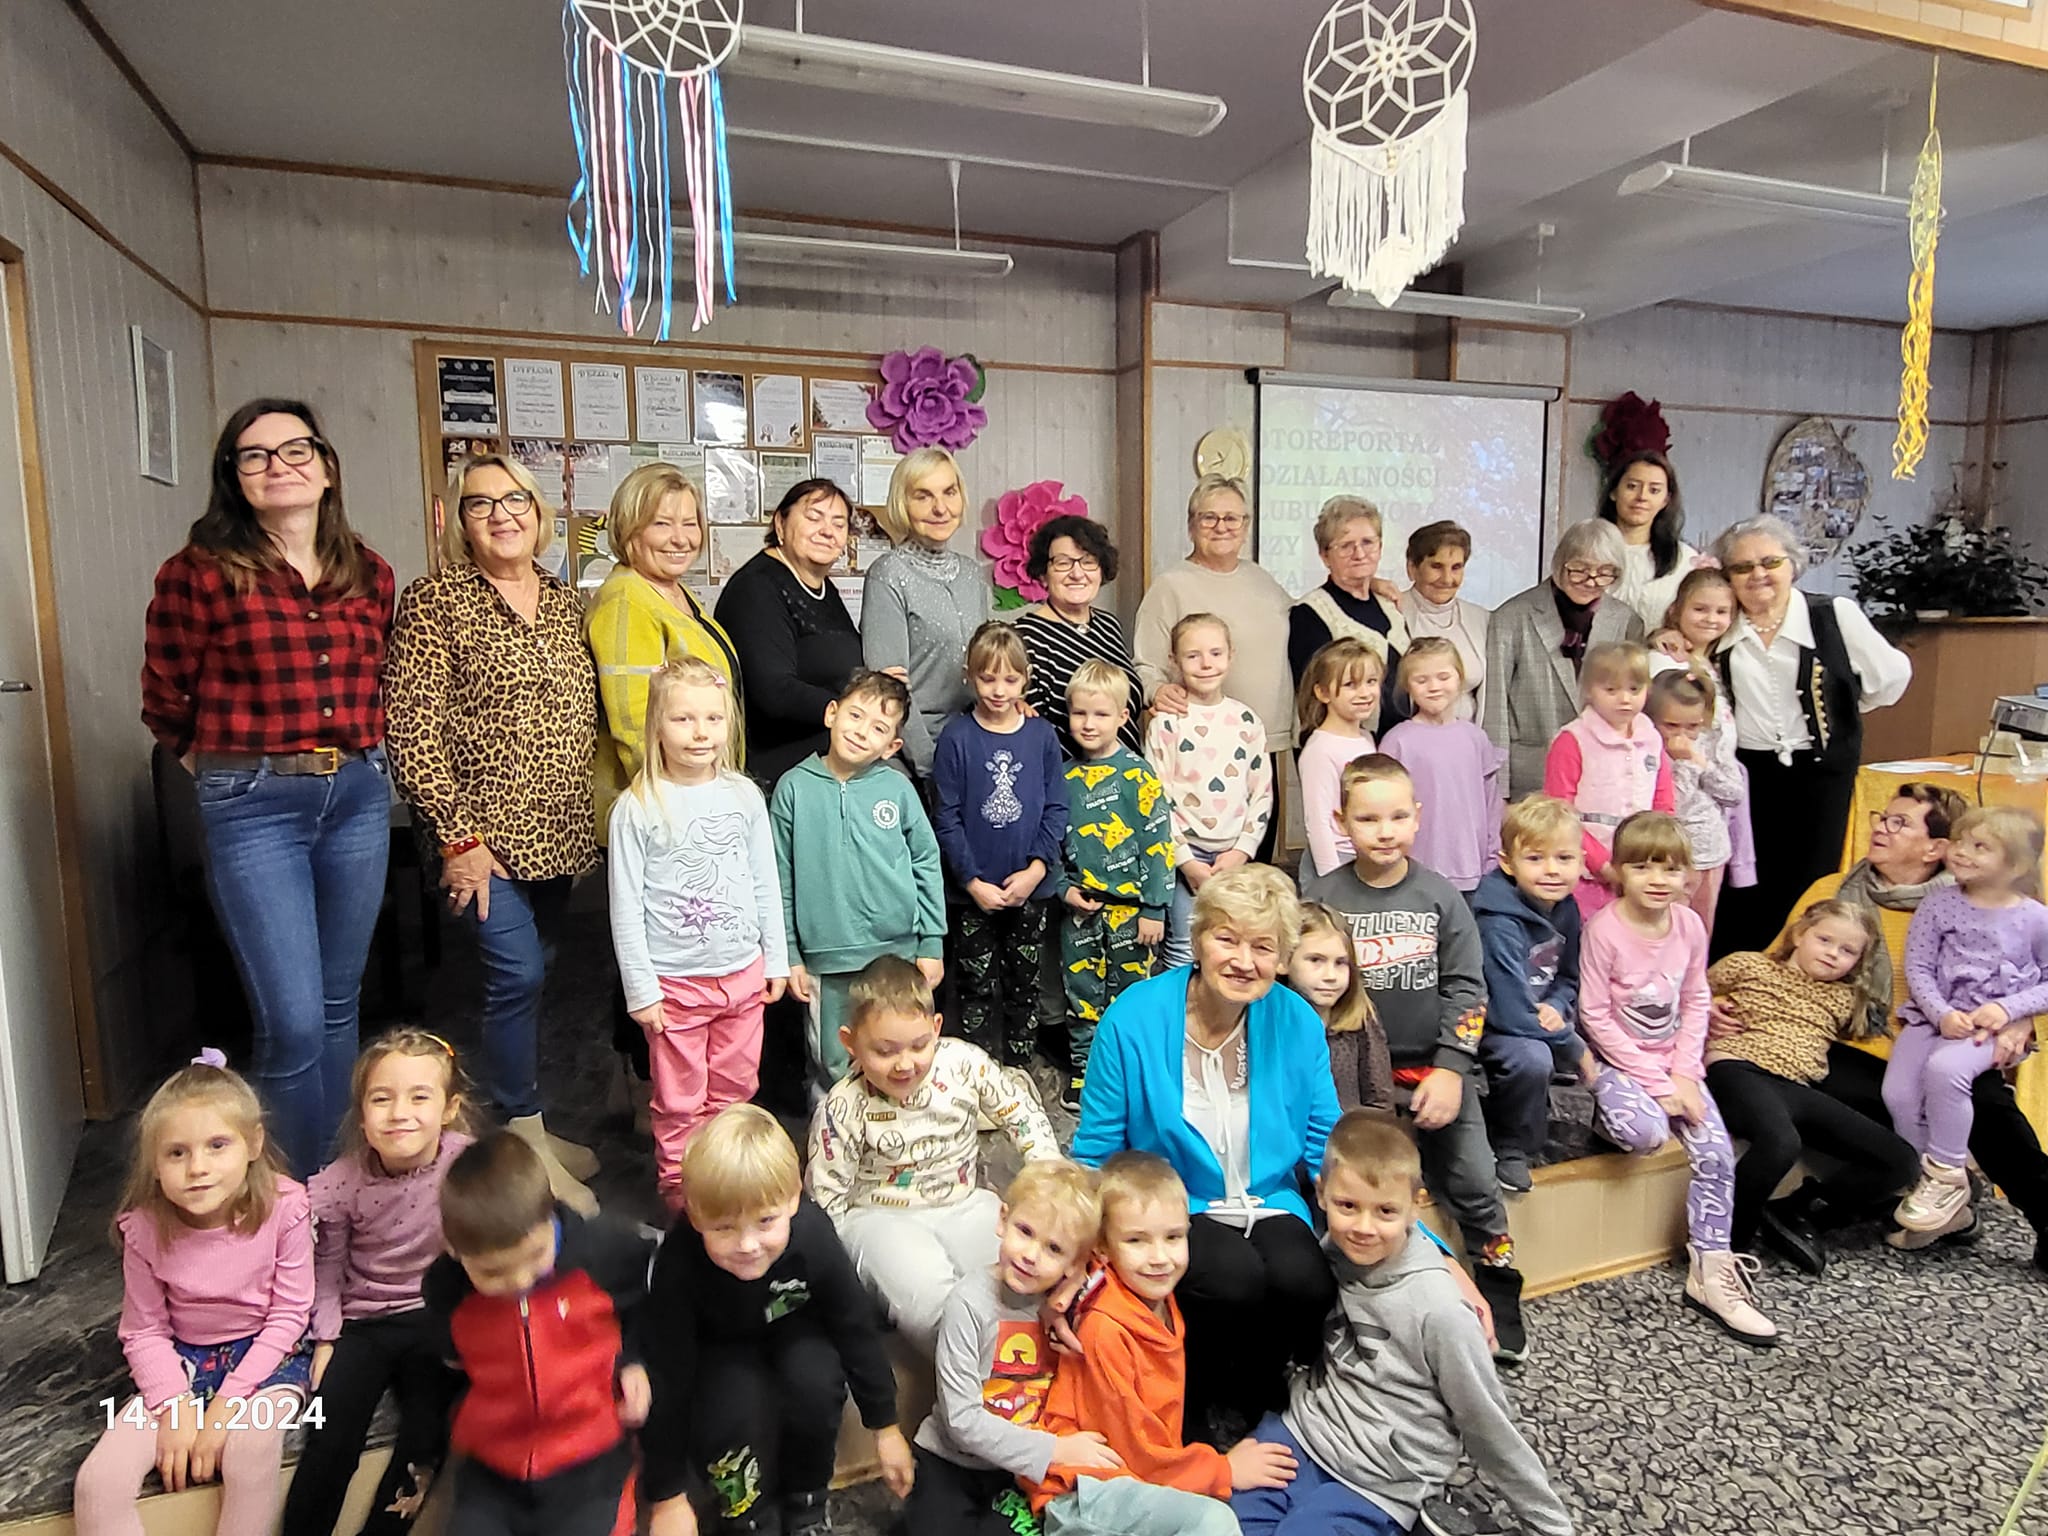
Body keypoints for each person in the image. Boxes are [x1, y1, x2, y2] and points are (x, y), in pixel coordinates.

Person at [141, 399, 396, 1178]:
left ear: (326, 467)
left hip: (357, 794)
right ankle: (293, 1203)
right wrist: (228, 776)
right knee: (290, 1022)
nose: (278, 466)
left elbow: (379, 680)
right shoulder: (198, 573)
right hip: (254, 807)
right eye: (254, 456)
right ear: (235, 478)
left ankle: (340, 1189)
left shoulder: (369, 572)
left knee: (339, 1008)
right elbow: (164, 698)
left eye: (295, 450)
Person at [384, 451, 601, 1212]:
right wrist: (457, 838)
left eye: (515, 500)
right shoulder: (436, 600)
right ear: (459, 521)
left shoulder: (567, 602)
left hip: (557, 833)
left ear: (540, 513)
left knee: (539, 973)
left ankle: (529, 1120)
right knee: (516, 976)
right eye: (480, 504)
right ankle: (517, 1135)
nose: (501, 514)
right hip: (479, 840)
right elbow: (412, 729)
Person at [1072, 866, 1341, 1435]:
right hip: (1175, 1204)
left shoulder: (1296, 1019)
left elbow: (1328, 1142)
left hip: (1269, 1198)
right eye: (1227, 939)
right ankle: (1192, 1400)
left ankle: (1257, 1394)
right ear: (1197, 940)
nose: (1244, 961)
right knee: (1231, 1278)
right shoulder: (1133, 1017)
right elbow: (1097, 1149)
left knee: (1306, 1281)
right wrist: (1077, 1252)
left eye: (1263, 946)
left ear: (1282, 958)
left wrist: (1424, 1245)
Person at [1231, 1113, 1574, 1536]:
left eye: (1386, 1211)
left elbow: (1486, 1420)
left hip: (1380, 1479)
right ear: (1321, 1194)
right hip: (1304, 1432)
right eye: (1348, 1206)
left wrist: (1549, 1523)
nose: (1364, 1227)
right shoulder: (1330, 1252)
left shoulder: (1442, 1310)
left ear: (1416, 1207)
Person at [1302, 756, 1527, 1362]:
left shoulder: (1441, 896)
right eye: (1368, 819)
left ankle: (1498, 1276)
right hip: (1347, 1071)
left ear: (1418, 817)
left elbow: (1467, 986)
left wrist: (1452, 1067)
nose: (1385, 831)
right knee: (1354, 1182)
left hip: (1435, 1068)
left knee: (1475, 1178)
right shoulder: (1321, 897)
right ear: (1340, 821)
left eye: (1398, 817)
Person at [1774, 782, 2048, 1269]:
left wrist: (2019, 1019)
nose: (1881, 827)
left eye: (1900, 823)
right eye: (1882, 817)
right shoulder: (1832, 890)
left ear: (1935, 848)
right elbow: (1777, 960)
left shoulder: (1980, 902)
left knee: (1984, 1098)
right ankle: (1918, 1191)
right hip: (1852, 1044)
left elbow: (2025, 974)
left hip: (1947, 1039)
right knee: (1922, 1090)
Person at [643, 1106, 913, 1536]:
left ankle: (807, 1504)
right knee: (729, 1410)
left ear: (793, 1199)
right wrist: (667, 1495)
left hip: (794, 1329)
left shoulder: (813, 1235)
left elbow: (853, 1326)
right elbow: (667, 1377)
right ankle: (747, 1518)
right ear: (694, 1216)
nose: (748, 1245)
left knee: (816, 1381)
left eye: (765, 1221)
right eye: (724, 1228)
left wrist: (884, 1425)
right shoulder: (679, 1264)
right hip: (716, 1346)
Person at [74, 1056, 312, 1536]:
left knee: (249, 1447)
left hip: (270, 1356)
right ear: (154, 1163)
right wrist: (176, 1406)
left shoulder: (285, 1208)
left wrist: (226, 1405)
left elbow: (289, 1316)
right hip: (183, 1359)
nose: (197, 1168)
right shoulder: (144, 1229)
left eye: (217, 1145)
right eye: (177, 1153)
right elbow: (144, 1331)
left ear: (253, 1144)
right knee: (99, 1482)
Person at [1578, 812, 1775, 1346]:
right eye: (1643, 867)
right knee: (1644, 1133)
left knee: (1715, 1153)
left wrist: (1685, 1074)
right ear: (1619, 871)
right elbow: (1594, 1016)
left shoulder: (1688, 924)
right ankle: (1602, 1116)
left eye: (1670, 868)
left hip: (1676, 1065)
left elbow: (1695, 999)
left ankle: (1710, 1272)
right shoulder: (1603, 930)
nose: (1658, 879)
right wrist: (1657, 1084)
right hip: (1621, 1063)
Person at [1026, 1153, 1294, 1536]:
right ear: (1102, 1247)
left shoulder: (1157, 1299)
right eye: (1136, 1240)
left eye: (1173, 1237)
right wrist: (1224, 1469)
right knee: (1214, 1522)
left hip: (1129, 1479)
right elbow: (1134, 1451)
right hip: (1081, 1493)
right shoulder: (1104, 1329)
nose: (1159, 1258)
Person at [590, 462, 744, 1125]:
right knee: (656, 955)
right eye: (663, 523)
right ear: (630, 529)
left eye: (691, 522)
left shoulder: (675, 594)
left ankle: (677, 1096)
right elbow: (635, 723)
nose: (682, 536)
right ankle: (652, 1100)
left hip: (699, 803)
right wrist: (678, 811)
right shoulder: (628, 599)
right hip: (664, 815)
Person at [805, 956, 1059, 1351]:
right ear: (849, 1042)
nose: (904, 1064)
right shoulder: (842, 1107)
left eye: (920, 1045)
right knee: (930, 1302)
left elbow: (1020, 1112)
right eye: (885, 1051)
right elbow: (826, 1200)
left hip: (964, 1201)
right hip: (878, 1216)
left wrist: (1048, 1173)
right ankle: (970, 1372)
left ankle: (1024, 1360)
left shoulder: (963, 1063)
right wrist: (837, 1281)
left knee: (1023, 1273)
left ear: (936, 1028)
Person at [609, 658, 789, 1211]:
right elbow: (625, 907)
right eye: (683, 719)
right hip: (675, 986)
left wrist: (775, 960)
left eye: (713, 718)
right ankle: (681, 1198)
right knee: (679, 1101)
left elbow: (765, 881)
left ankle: (728, 1186)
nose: (700, 732)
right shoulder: (637, 807)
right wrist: (641, 990)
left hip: (742, 976)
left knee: (736, 1092)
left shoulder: (744, 796)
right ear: (656, 726)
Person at [281, 1030, 474, 1536]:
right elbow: (326, 1267)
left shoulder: (468, 1165)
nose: (398, 1113)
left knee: (426, 1435)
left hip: (434, 1318)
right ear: (362, 1115)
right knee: (329, 1434)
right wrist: (326, 1337)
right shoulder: (342, 1182)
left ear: (450, 1109)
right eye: (381, 1099)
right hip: (363, 1323)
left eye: (419, 1097)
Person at [422, 1133, 654, 1536]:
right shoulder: (446, 1289)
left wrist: (634, 1360)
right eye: (493, 1272)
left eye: (535, 1256)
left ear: (550, 1216)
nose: (520, 1280)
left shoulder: (603, 1253)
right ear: (454, 1251)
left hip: (592, 1464)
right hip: (492, 1472)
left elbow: (649, 1302)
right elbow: (449, 1356)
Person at [1709, 514, 1911, 954]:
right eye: (1742, 567)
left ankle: (1803, 974)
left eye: (1770, 562)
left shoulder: (1832, 614)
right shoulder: (1721, 621)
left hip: (1822, 775)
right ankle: (1744, 971)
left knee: (1812, 881)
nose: (1758, 575)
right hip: (1750, 776)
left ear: (1792, 564)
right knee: (1746, 883)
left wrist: (1843, 709)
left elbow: (1891, 678)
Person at [1704, 899, 1915, 1274]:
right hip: (1738, 1068)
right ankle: (1725, 1250)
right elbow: (1685, 990)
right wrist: (1709, 1006)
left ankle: (1801, 1209)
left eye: (1848, 951)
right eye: (1825, 940)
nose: (1833, 954)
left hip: (1798, 1087)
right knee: (1780, 1143)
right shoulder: (1749, 965)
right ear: (1800, 934)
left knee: (1899, 1160)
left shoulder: (1847, 999)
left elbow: (1887, 1033)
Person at [903, 1161, 1111, 1536]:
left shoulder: (1069, 1300)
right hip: (952, 1460)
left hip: (1017, 1470)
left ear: (1075, 1263)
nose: (1031, 1254)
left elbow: (1121, 1268)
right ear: (1003, 1220)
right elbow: (962, 1421)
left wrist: (1077, 1280)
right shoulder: (968, 1303)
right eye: (1025, 1231)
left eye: (1053, 1248)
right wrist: (1054, 1450)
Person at [769, 670, 946, 1094]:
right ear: (832, 713)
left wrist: (931, 943)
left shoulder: (898, 790)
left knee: (897, 1053)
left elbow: (926, 862)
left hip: (897, 955)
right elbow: (779, 878)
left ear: (892, 747)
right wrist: (789, 955)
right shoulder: (793, 788)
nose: (862, 731)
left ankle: (899, 1131)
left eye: (879, 728)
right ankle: (831, 1133)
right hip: (825, 963)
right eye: (855, 715)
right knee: (831, 1062)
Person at [1884, 806, 2048, 1237]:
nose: (1961, 852)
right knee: (1898, 1094)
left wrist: (2010, 1011)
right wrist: (1941, 1013)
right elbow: (1918, 966)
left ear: (2015, 865)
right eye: (1960, 842)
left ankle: (1946, 1173)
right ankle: (1930, 1186)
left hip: (1989, 1027)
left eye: (1980, 847)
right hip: (1935, 1017)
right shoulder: (1939, 904)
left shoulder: (2035, 918)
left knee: (1946, 1072)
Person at [1134, 475, 1296, 859]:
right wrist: (1157, 691)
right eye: (1209, 518)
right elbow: (1144, 664)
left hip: (1261, 743)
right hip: (1197, 749)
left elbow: (1307, 620)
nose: (1221, 526)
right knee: (1199, 867)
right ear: (1191, 525)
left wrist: (1369, 585)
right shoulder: (1171, 586)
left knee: (1251, 864)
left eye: (1232, 518)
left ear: (1246, 526)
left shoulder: (1262, 580)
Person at [934, 623, 1067, 1066]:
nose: (998, 690)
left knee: (1024, 987)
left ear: (1025, 679)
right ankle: (979, 1073)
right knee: (974, 988)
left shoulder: (1041, 736)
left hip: (1030, 890)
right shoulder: (956, 738)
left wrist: (1036, 870)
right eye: (987, 678)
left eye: (1010, 679)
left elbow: (1057, 807)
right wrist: (972, 881)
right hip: (973, 895)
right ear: (969, 675)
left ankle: (1019, 1073)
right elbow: (946, 817)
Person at [1058, 660, 1173, 1111]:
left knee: (1132, 995)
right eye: (1080, 713)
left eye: (1101, 714)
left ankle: (1130, 1073)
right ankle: (1085, 1070)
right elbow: (1050, 842)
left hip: (1132, 911)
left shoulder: (1138, 775)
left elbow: (1158, 844)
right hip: (1080, 908)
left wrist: (1155, 908)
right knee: (1081, 992)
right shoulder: (1062, 777)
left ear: (1123, 716)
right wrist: (1063, 889)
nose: (1089, 724)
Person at [1472, 795, 1589, 1195]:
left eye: (1564, 858)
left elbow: (1568, 978)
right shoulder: (1497, 921)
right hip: (1492, 1025)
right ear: (1508, 863)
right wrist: (1572, 1045)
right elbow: (1506, 1012)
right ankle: (1510, 1146)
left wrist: (1556, 1006)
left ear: (1582, 862)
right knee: (1533, 1057)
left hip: (1536, 1016)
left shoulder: (1567, 908)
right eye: (1536, 858)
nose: (1552, 870)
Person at [715, 478, 863, 788]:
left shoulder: (823, 587)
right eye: (814, 518)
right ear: (780, 524)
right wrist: (854, 712)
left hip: (829, 765)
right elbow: (773, 692)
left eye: (839, 524)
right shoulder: (756, 587)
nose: (828, 531)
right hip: (780, 774)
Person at [1145, 614, 1274, 968]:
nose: (1206, 664)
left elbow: (1262, 794)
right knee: (1183, 946)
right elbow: (1156, 799)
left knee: (1232, 941)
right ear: (1174, 660)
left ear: (1231, 655)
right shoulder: (1166, 723)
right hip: (1183, 856)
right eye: (1193, 655)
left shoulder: (1247, 721)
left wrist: (1242, 851)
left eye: (1215, 653)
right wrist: (1186, 862)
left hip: (1233, 856)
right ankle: (1179, 1005)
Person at [1482, 518, 1644, 800]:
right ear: (1560, 563)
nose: (1591, 582)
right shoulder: (1512, 616)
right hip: (1533, 777)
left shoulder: (1626, 621)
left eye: (1604, 573)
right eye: (1579, 570)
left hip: (1604, 779)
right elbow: (1495, 709)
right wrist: (1499, 793)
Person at [861, 446, 992, 778]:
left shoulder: (971, 574)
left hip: (974, 747)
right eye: (923, 496)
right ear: (902, 504)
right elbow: (890, 690)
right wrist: (931, 766)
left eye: (949, 492)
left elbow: (988, 664)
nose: (940, 508)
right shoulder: (888, 574)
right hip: (914, 758)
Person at [1543, 641, 1675, 917]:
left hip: (1642, 871)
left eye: (1634, 689)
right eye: (1611, 690)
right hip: (1586, 873)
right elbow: (1560, 812)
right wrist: (1602, 865)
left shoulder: (1651, 738)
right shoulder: (1573, 740)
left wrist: (1654, 858)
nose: (1624, 699)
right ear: (1590, 690)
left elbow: (1663, 804)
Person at [1013, 514, 1145, 757]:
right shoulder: (1022, 638)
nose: (1077, 573)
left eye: (1088, 561)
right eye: (1063, 563)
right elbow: (1033, 730)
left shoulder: (1108, 625)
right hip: (1067, 776)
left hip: (1129, 771)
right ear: (1043, 574)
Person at [1381, 638, 1504, 893]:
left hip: (1473, 871)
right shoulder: (1397, 741)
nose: (1434, 687)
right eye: (1421, 680)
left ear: (1460, 678)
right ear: (1407, 686)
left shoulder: (1475, 738)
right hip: (1416, 874)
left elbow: (1492, 803)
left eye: (1443, 677)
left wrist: (1493, 855)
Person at [1286, 496, 1409, 732]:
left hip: (1402, 742)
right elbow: (1312, 700)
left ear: (1380, 547)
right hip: (1347, 746)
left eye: (1368, 542)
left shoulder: (1389, 605)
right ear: (1324, 555)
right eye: (1345, 546)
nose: (1359, 553)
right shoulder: (1310, 613)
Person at [1647, 670, 1743, 934]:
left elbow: (1734, 793)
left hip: (1711, 854)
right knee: (1667, 929)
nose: (1683, 735)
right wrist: (1685, 764)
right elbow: (1674, 807)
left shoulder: (1711, 742)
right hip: (1668, 859)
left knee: (1700, 930)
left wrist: (1703, 765)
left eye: (1692, 726)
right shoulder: (1649, 748)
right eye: (1671, 725)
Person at [1286, 902, 1395, 1114]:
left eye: (1341, 963)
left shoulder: (1361, 1017)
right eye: (1315, 960)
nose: (1331, 976)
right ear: (1285, 960)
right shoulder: (1270, 1020)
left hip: (1350, 1132)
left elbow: (1380, 1101)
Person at [1294, 638, 1385, 880]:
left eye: (1371, 681)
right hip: (1337, 860)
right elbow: (1318, 823)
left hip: (1364, 856)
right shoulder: (1320, 749)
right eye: (1350, 685)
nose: (1365, 693)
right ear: (1323, 692)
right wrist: (1331, 882)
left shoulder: (1367, 739)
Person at [1397, 521, 1489, 722]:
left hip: (1470, 736)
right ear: (1412, 568)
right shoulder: (1392, 613)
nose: (1447, 579)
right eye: (1436, 566)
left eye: (1456, 567)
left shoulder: (1483, 619)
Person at [1598, 451, 1699, 627]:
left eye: (1654, 490)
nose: (1642, 497)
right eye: (1632, 486)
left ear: (1665, 500)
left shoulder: (1685, 559)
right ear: (1614, 492)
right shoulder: (1587, 549)